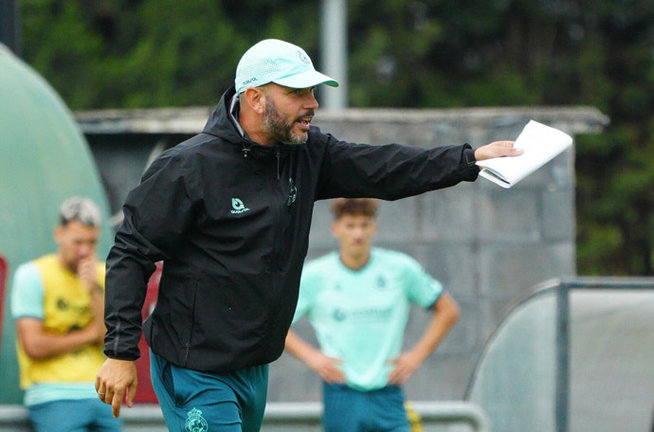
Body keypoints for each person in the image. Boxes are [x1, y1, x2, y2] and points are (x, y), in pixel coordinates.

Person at [95, 38, 521, 432]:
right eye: (298, 93)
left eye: (313, 93)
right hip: (194, 367)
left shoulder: (309, 154)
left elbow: (386, 168)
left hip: (253, 367)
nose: (312, 104)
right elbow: (131, 253)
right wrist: (119, 351)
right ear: (256, 97)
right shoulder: (187, 167)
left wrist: (469, 160)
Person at [285, 198, 459, 432]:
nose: (357, 233)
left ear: (374, 228)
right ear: (336, 229)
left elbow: (448, 311)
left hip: (388, 392)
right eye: (350, 226)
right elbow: (274, 326)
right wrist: (312, 357)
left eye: (364, 225)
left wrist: (415, 356)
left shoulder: (400, 269)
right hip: (341, 392)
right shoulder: (315, 276)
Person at [10, 197, 122, 432]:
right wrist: (88, 334)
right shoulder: (33, 275)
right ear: (58, 235)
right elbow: (34, 346)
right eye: (77, 242)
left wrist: (93, 290)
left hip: (103, 394)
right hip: (54, 394)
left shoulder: (104, 275)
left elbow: (109, 340)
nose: (84, 251)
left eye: (92, 242)